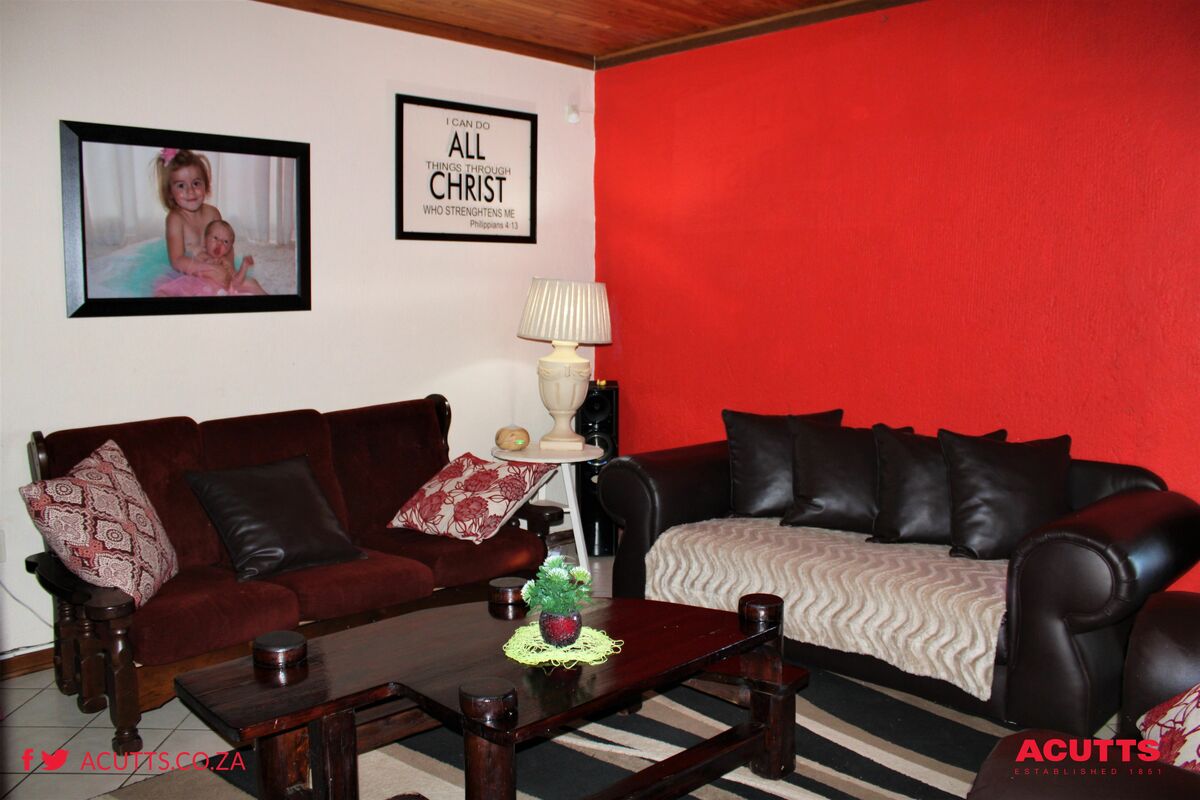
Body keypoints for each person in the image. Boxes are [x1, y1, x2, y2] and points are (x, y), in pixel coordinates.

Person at [152, 149, 266, 296]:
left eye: (196, 183)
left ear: (205, 184)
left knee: (252, 284)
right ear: (170, 192)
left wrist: (227, 266)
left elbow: (226, 243)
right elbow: (177, 260)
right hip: (191, 273)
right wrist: (209, 269)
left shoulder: (213, 213)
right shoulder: (175, 219)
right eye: (181, 185)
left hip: (217, 267)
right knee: (165, 293)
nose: (190, 191)